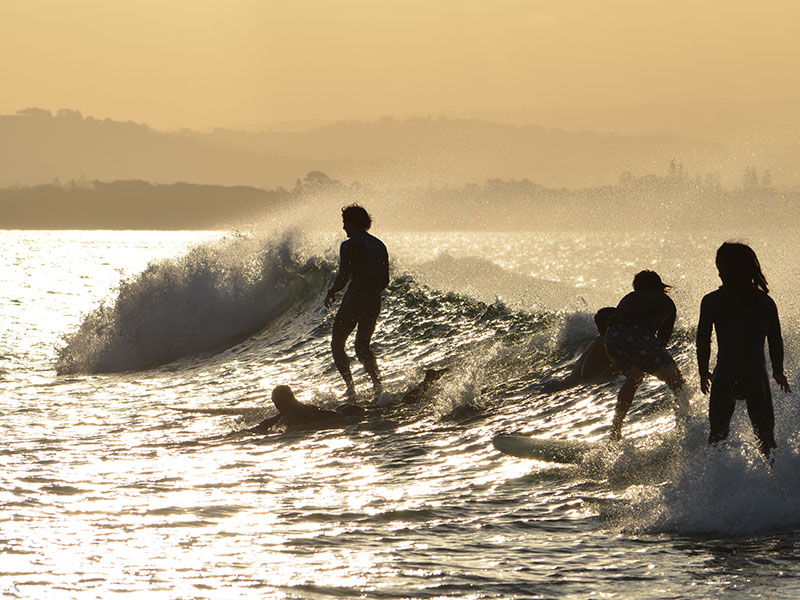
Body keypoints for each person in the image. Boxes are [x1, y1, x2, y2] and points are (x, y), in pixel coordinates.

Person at [696, 242, 791, 458]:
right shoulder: (764, 302)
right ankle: (778, 486)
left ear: (722, 268)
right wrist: (778, 370)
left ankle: (715, 486)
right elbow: (775, 339)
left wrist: (703, 371)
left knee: (717, 437)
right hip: (755, 376)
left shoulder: (712, 300)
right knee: (766, 439)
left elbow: (703, 339)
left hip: (725, 373)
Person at [605, 270, 687, 440]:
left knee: (634, 378)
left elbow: (616, 320)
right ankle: (684, 425)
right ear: (659, 285)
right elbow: (663, 338)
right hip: (638, 335)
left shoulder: (629, 297)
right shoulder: (665, 301)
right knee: (676, 381)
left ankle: (616, 429)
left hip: (612, 336)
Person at [324, 204, 389, 400]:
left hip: (355, 298)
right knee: (362, 346)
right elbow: (385, 279)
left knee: (337, 343)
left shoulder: (349, 245)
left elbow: (343, 277)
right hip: (373, 300)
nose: (344, 228)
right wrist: (371, 294)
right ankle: (378, 386)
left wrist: (332, 291)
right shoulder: (379, 245)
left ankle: (351, 388)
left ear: (353, 223)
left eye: (345, 223)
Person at [551, 307, 617, 391]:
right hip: (567, 389)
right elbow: (586, 374)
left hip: (563, 388)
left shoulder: (600, 341)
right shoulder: (602, 343)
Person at [250, 385, 366, 433]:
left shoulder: (307, 412)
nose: (279, 407)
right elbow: (263, 426)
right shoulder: (284, 415)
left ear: (291, 399)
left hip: (350, 410)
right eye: (276, 404)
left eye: (282, 402)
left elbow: (337, 416)